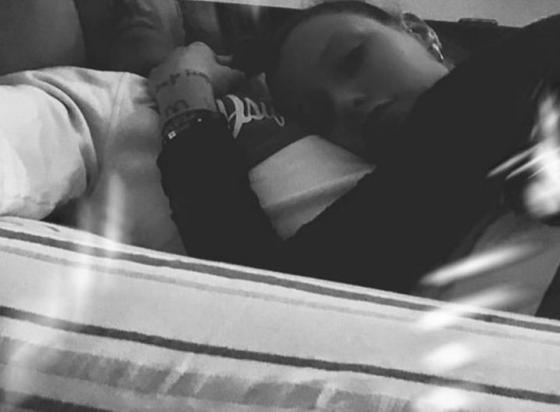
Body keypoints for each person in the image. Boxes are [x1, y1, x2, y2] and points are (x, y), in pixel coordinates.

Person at [149, 0, 560, 295]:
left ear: (420, 32)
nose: (344, 102)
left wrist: (183, 101)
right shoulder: (432, 182)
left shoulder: (511, 70)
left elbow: (277, 292)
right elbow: (278, 296)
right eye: (320, 116)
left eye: (352, 59)